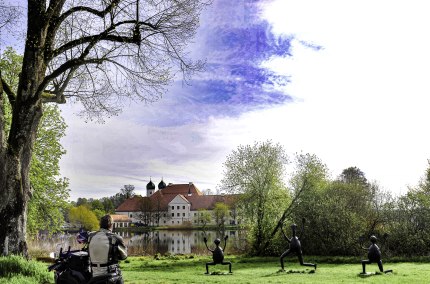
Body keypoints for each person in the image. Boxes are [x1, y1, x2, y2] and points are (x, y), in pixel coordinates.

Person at [88, 215, 127, 283]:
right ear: (111, 225)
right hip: (110, 276)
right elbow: (124, 256)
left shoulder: (90, 237)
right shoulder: (116, 238)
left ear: (100, 224)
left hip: (93, 274)